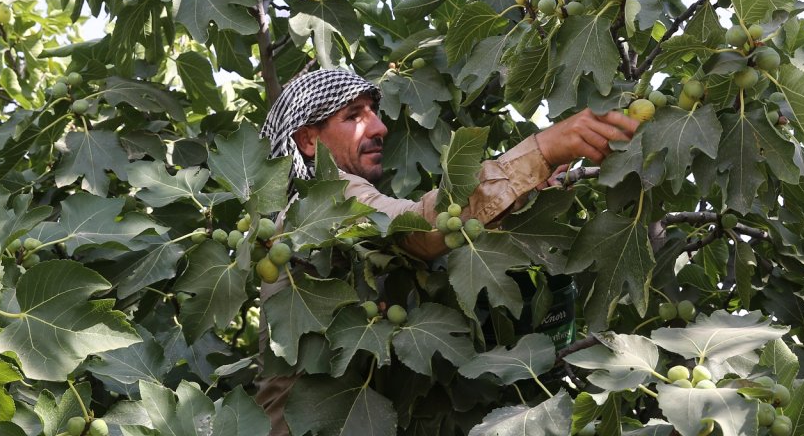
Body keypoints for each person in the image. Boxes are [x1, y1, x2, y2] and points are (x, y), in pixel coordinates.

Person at [253, 68, 640, 434]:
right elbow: (417, 228)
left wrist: (525, 191)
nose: (380, 127)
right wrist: (539, 152)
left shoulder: (330, 222)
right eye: (354, 116)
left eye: (374, 113)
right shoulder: (322, 204)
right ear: (308, 140)